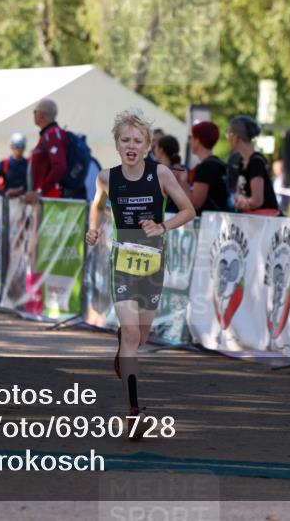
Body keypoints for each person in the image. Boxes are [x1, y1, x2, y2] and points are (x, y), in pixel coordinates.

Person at [85, 109, 194, 439]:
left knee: (140, 337)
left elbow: (188, 210)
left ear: (147, 145)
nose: (131, 146)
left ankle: (125, 345)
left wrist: (162, 226)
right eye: (125, 140)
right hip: (122, 262)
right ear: (117, 144)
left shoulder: (160, 174)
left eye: (137, 140)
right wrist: (93, 229)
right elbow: (97, 205)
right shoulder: (106, 177)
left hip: (153, 263)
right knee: (133, 335)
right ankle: (133, 413)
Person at [227, 116, 280, 215]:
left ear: (237, 137)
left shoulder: (256, 162)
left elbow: (257, 200)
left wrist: (242, 203)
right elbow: (239, 192)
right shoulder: (241, 162)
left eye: (229, 134)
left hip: (264, 218)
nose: (228, 138)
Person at [26, 99, 68, 203]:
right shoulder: (47, 135)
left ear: (41, 115)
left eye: (35, 112)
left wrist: (40, 191)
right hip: (44, 199)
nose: (34, 115)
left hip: (51, 200)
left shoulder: (52, 134)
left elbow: (59, 167)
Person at [188, 121, 229, 215]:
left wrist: (182, 182)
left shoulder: (205, 167)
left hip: (208, 220)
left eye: (192, 137)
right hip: (220, 217)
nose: (190, 141)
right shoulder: (221, 164)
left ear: (198, 140)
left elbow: (195, 203)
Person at [154, 135, 189, 213]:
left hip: (167, 214)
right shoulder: (183, 169)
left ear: (161, 150)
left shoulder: (158, 171)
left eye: (155, 147)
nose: (154, 150)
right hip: (180, 214)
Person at [0, 133, 30, 197]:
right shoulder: (4, 163)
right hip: (7, 198)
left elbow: (32, 183)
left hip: (24, 199)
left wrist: (19, 190)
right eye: (17, 146)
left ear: (24, 147)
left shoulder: (28, 164)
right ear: (11, 147)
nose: (19, 149)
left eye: (22, 146)